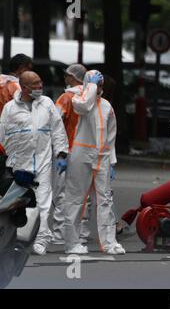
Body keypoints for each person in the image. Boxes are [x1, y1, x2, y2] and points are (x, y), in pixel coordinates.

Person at [0, 71, 68, 255]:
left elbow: (57, 130)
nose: (40, 86)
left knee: (43, 202)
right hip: (18, 164)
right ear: (24, 87)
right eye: (35, 84)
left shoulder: (47, 104)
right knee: (15, 204)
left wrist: (61, 154)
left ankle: (41, 240)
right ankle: (15, 236)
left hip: (43, 162)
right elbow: (2, 136)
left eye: (40, 82)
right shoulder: (10, 109)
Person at [63, 70, 125, 255]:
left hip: (102, 156)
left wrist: (112, 162)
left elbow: (111, 136)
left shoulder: (107, 107)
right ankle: (72, 243)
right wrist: (89, 86)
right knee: (75, 200)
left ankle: (109, 242)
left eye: (100, 85)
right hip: (81, 154)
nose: (98, 89)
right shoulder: (78, 100)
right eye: (95, 84)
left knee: (105, 199)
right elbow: (84, 106)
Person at [51, 64, 88, 245]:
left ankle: (59, 234)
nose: (65, 79)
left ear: (72, 77)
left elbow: (55, 121)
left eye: (66, 75)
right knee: (82, 194)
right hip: (87, 151)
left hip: (67, 150)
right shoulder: (93, 97)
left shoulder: (66, 97)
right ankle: (81, 233)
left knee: (61, 193)